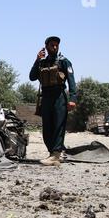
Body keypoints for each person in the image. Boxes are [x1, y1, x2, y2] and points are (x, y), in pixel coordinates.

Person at [29, 36, 77, 166]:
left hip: (59, 97)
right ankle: (53, 154)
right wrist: (37, 59)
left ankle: (56, 155)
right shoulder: (42, 63)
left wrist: (72, 99)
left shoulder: (64, 62)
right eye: (52, 45)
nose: (55, 47)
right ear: (46, 46)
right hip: (46, 97)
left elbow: (71, 81)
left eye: (56, 45)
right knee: (47, 128)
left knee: (58, 126)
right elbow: (32, 77)